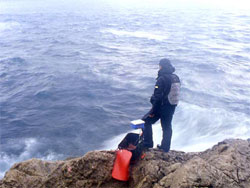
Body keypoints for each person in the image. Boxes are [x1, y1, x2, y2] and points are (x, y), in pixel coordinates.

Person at [142, 58, 180, 152]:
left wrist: (153, 111)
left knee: (146, 121)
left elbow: (158, 97)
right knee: (167, 126)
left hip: (161, 107)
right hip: (171, 106)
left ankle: (147, 143)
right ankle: (165, 147)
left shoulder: (162, 79)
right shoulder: (175, 77)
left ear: (161, 66)